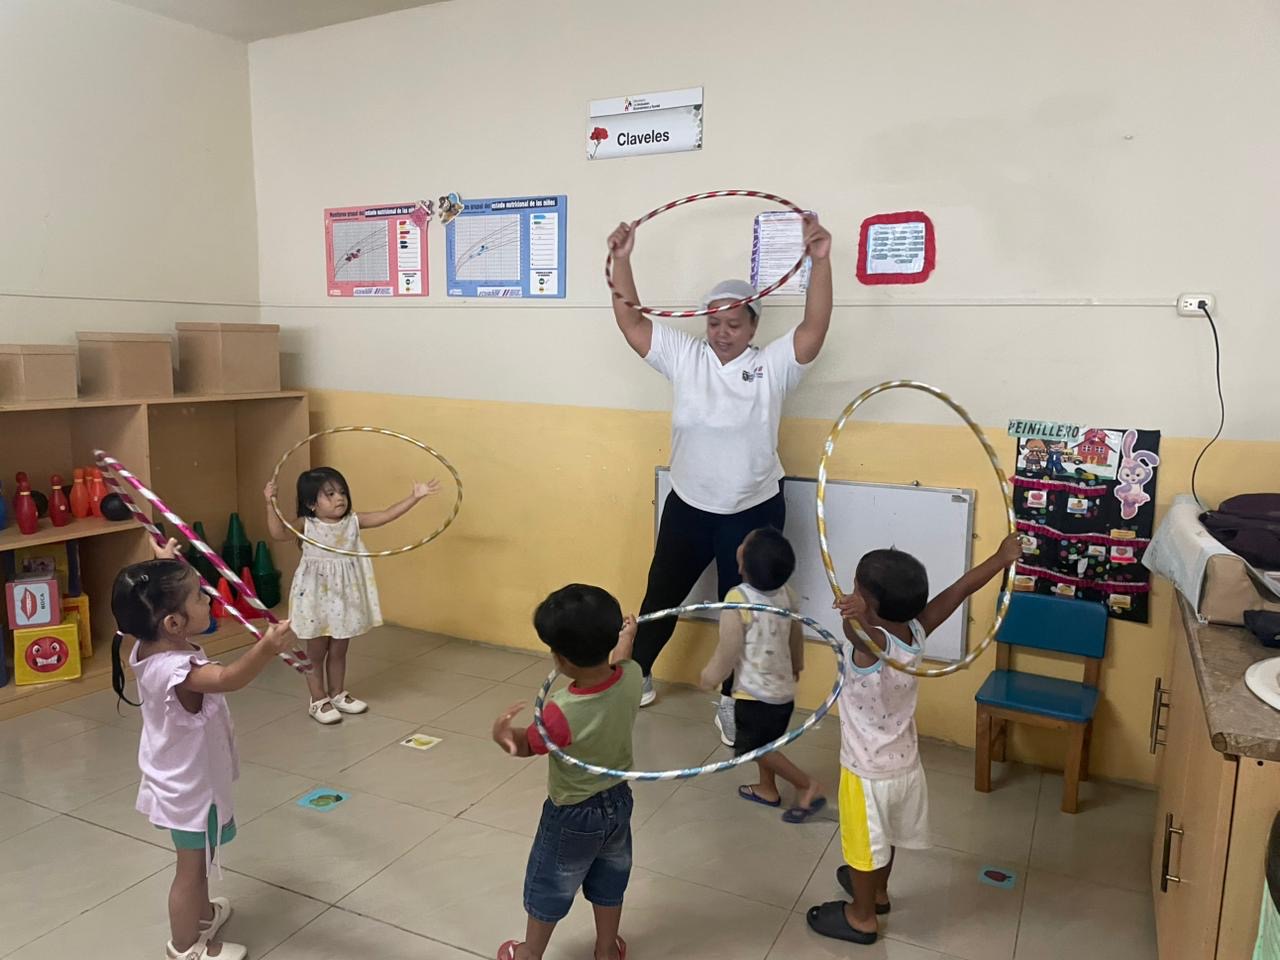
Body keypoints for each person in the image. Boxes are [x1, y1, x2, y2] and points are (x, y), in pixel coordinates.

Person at [608, 214, 833, 747]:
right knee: (661, 595)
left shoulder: (773, 365)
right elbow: (631, 322)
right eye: (714, 323)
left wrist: (820, 263)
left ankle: (736, 702)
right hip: (688, 505)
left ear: (753, 327)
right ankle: (636, 678)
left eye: (734, 324)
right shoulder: (686, 357)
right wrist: (622, 258)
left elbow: (815, 327)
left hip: (753, 510)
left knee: (747, 613)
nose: (722, 333)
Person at [805, 534, 1022, 945]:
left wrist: (854, 616)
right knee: (885, 836)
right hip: (904, 765)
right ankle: (878, 892)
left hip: (866, 771)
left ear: (869, 605)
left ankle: (861, 917)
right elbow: (959, 590)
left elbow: (856, 634)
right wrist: (1000, 558)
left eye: (856, 589)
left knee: (863, 847)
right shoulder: (916, 631)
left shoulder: (872, 645)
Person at [110, 537, 299, 960]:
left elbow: (151, 601)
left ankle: (201, 916)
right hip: (189, 789)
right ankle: (185, 946)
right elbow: (230, 678)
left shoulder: (147, 643)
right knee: (191, 871)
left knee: (201, 860)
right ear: (173, 623)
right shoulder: (180, 671)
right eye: (198, 597)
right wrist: (267, 647)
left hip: (179, 776)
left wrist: (162, 565)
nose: (209, 600)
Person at [491, 584, 642, 960]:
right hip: (618, 803)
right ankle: (606, 950)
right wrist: (627, 638)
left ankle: (529, 953)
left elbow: (526, 746)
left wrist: (503, 734)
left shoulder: (561, 711)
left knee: (551, 883)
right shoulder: (633, 677)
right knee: (610, 879)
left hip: (573, 812)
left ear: (560, 659)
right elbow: (622, 661)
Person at [264, 466, 439, 724]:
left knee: (339, 648)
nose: (339, 498)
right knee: (316, 652)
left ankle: (337, 693)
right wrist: (270, 503)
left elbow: (386, 515)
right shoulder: (306, 524)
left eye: (342, 492)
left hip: (343, 596)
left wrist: (415, 497)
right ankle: (318, 699)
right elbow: (278, 533)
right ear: (311, 503)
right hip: (315, 597)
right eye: (330, 494)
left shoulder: (353, 521)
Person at [699, 527, 824, 821]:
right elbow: (795, 633)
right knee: (769, 742)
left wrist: (711, 676)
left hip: (754, 695)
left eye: (745, 542)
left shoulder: (737, 599)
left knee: (755, 748)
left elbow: (728, 649)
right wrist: (797, 663)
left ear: (742, 563)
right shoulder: (787, 594)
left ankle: (807, 785)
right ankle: (768, 788)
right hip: (783, 692)